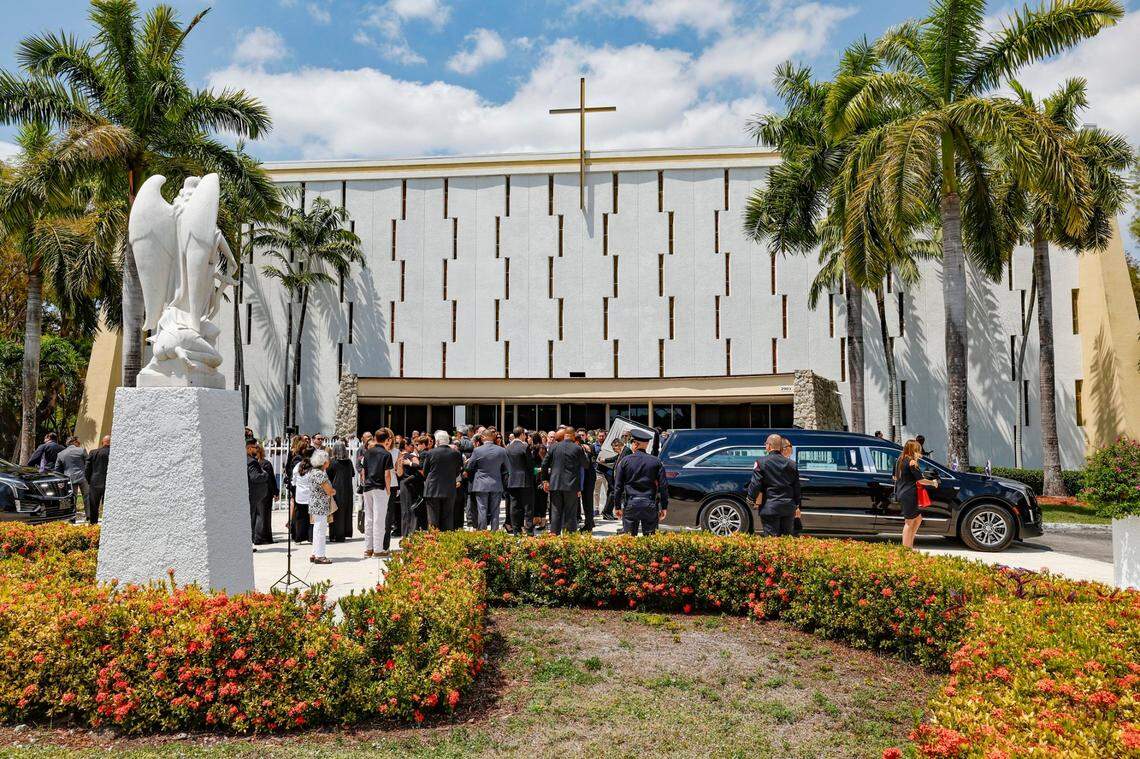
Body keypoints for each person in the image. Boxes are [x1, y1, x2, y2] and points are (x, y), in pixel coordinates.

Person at [612, 428, 668, 536]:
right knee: (650, 541)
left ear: (635, 444)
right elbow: (663, 486)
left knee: (629, 540)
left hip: (631, 504)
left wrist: (617, 506)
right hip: (650, 504)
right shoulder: (656, 461)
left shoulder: (625, 461)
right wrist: (664, 507)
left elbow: (618, 486)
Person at [746, 433, 801, 537]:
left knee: (772, 541)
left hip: (769, 507)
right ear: (780, 447)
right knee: (786, 540)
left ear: (769, 446)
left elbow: (755, 484)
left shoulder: (761, 462)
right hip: (788, 507)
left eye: (766, 444)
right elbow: (796, 487)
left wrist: (750, 499)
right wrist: (797, 504)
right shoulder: (792, 464)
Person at [893, 439, 940, 549]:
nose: (920, 452)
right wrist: (933, 482)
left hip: (902, 492)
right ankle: (905, 549)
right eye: (918, 450)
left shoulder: (899, 460)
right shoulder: (912, 462)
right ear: (913, 450)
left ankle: (910, 545)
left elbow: (894, 477)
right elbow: (920, 480)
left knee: (918, 519)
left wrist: (906, 479)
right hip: (910, 494)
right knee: (909, 522)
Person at [541, 427, 586, 535]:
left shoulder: (554, 447)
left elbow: (544, 464)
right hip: (571, 485)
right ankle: (569, 538)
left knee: (555, 512)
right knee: (570, 512)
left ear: (565, 434)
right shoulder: (577, 448)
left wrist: (545, 480)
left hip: (555, 484)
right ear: (573, 435)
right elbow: (586, 464)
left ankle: (554, 536)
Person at [465, 428, 508, 531]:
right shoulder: (501, 450)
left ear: (483, 437)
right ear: (492, 437)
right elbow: (507, 467)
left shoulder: (477, 450)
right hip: (496, 483)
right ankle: (494, 533)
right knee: (495, 510)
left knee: (482, 509)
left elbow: (470, 467)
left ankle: (483, 534)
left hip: (481, 483)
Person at [422, 430, 463, 530]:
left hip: (432, 489)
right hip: (449, 489)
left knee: (433, 519)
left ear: (437, 442)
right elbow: (458, 471)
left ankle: (433, 543)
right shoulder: (456, 453)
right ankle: (446, 542)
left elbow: (425, 471)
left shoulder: (430, 453)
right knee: (448, 518)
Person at [362, 430, 394, 557]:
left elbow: (364, 471)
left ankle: (368, 548)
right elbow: (387, 474)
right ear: (387, 440)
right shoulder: (386, 454)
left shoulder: (368, 452)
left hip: (368, 487)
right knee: (379, 519)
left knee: (369, 518)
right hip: (380, 488)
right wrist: (388, 489)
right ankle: (378, 549)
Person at [307, 449, 336, 564]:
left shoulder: (313, 472)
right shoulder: (320, 474)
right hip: (320, 504)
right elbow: (328, 490)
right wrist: (333, 491)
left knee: (317, 529)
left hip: (315, 503)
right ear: (324, 462)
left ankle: (315, 553)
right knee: (321, 529)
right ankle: (320, 555)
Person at [505, 427, 536, 535]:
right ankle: (529, 530)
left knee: (514, 506)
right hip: (525, 480)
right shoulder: (524, 447)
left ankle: (516, 530)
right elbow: (530, 465)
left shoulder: (508, 448)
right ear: (522, 434)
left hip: (512, 480)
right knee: (528, 506)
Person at [396, 436, 428, 537]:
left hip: (403, 484)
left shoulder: (399, 457)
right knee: (413, 509)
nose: (414, 447)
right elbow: (421, 470)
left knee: (405, 510)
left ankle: (404, 533)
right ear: (406, 446)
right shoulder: (412, 457)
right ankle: (412, 532)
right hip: (412, 484)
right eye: (412, 445)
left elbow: (399, 474)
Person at [54, 437, 90, 518]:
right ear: (74, 442)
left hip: (69, 478)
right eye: (77, 441)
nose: (78, 443)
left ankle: (71, 516)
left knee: (71, 498)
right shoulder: (81, 450)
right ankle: (89, 515)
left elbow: (57, 469)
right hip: (83, 476)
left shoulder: (61, 454)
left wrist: (61, 480)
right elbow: (88, 463)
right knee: (87, 496)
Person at [328, 442, 355, 542]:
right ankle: (343, 533)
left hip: (336, 489)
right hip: (347, 489)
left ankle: (335, 534)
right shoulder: (349, 462)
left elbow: (328, 475)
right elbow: (352, 473)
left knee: (336, 512)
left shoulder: (333, 462)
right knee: (346, 511)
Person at [246, 439, 269, 549]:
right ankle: (248, 544)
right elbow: (255, 477)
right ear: (249, 448)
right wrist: (265, 474)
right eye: (255, 447)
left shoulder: (249, 460)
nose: (257, 449)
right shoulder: (252, 461)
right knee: (251, 519)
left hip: (252, 495)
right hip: (253, 495)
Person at [291, 446, 315, 543]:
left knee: (300, 517)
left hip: (300, 495)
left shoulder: (298, 466)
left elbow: (294, 481)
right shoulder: (314, 467)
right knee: (311, 518)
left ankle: (299, 537)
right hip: (311, 495)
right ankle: (310, 537)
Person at [84, 435, 111, 525]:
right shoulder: (114, 453)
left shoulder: (93, 452)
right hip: (109, 482)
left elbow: (87, 469)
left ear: (102, 442)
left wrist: (89, 480)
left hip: (95, 481)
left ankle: (93, 524)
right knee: (109, 506)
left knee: (94, 505)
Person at [254, 443, 277, 545]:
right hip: (265, 493)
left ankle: (258, 537)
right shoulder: (265, 463)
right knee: (264, 516)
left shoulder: (252, 463)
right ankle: (263, 538)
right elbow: (271, 479)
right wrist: (275, 492)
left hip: (255, 492)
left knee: (257, 515)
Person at [780, 438, 804, 536]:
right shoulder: (791, 465)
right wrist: (797, 506)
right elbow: (795, 487)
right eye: (790, 446)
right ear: (785, 448)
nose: (792, 448)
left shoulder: (769, 463)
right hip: (787, 504)